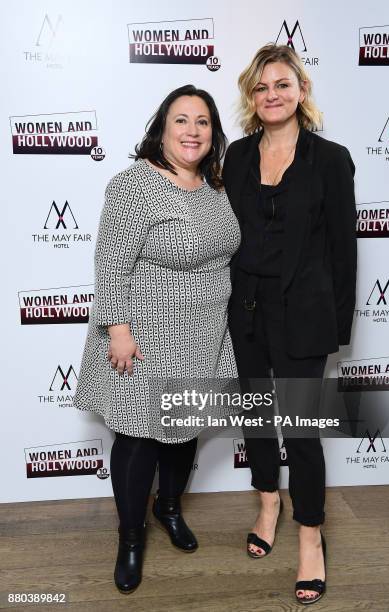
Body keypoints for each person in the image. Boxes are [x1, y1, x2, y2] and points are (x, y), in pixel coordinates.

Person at [73, 84, 241, 594]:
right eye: (181, 121)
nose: (193, 131)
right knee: (138, 436)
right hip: (145, 336)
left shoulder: (216, 186)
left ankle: (169, 509)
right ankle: (130, 537)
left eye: (203, 122)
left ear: (214, 133)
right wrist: (118, 332)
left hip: (206, 332)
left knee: (183, 429)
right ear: (162, 130)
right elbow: (111, 264)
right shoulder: (134, 185)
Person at [223, 44, 357, 605]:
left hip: (303, 313)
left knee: (300, 430)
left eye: (282, 84)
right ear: (251, 98)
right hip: (246, 307)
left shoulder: (330, 158)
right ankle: (267, 502)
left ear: (301, 90)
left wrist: (337, 328)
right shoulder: (234, 155)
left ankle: (309, 535)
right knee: (256, 417)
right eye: (261, 87)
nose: (272, 94)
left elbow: (344, 249)